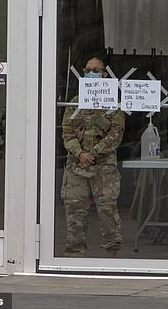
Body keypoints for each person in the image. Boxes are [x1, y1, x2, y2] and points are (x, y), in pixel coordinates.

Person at [61, 56, 126, 257]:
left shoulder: (112, 103)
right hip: (76, 167)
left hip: (103, 167)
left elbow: (116, 134)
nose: (91, 72)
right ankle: (75, 256)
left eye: (96, 70)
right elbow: (67, 131)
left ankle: (112, 256)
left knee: (107, 213)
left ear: (105, 74)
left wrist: (93, 153)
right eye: (88, 69)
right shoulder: (74, 102)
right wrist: (80, 153)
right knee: (75, 212)